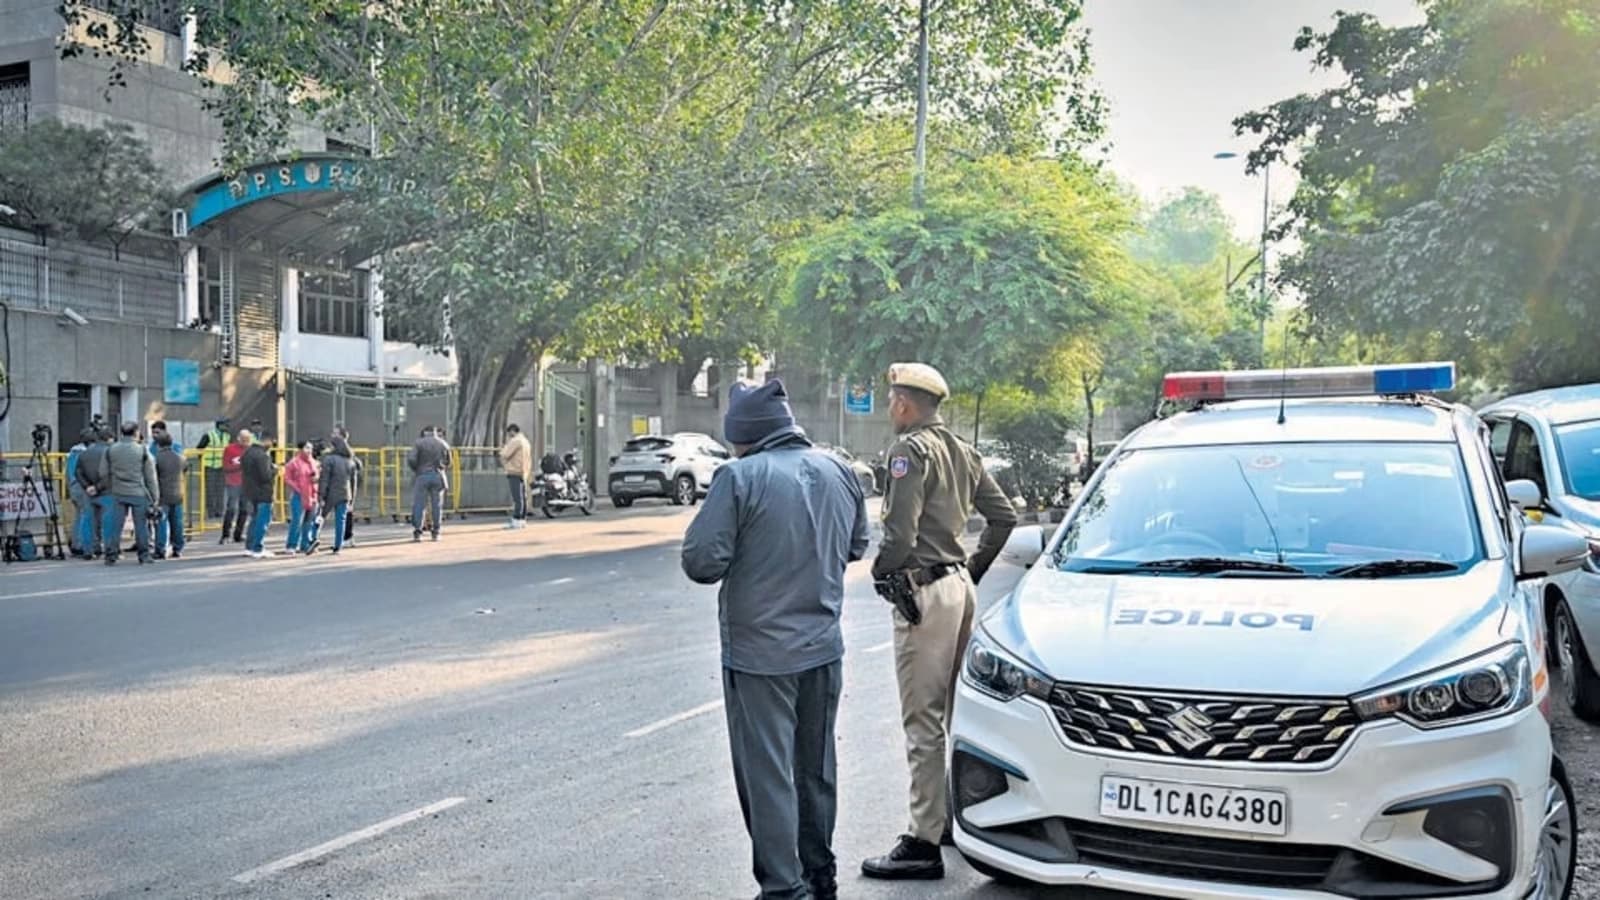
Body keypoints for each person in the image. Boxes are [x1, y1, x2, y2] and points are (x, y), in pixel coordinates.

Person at [682, 380, 870, 900]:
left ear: (742, 436)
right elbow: (856, 546)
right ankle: (820, 875)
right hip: (823, 649)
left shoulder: (738, 478)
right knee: (815, 769)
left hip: (761, 657)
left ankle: (784, 889)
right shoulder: (840, 470)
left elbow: (701, 562)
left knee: (768, 776)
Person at [861, 363, 1017, 882]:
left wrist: (883, 571)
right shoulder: (963, 451)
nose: (890, 410)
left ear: (904, 404)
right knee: (953, 713)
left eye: (891, 401)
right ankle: (948, 818)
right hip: (958, 588)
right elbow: (1004, 517)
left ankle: (923, 841)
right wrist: (969, 570)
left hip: (925, 592)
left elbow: (900, 536)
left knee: (921, 719)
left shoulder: (909, 451)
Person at [99, 420, 159, 566]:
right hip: (138, 492)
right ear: (136, 433)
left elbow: (103, 472)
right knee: (141, 526)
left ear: (121, 433)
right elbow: (150, 477)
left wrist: (109, 486)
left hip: (118, 492)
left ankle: (111, 555)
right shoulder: (142, 450)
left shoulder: (111, 449)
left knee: (116, 525)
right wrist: (154, 497)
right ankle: (144, 555)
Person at [73, 428, 113, 560]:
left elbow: (77, 472)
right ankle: (109, 549)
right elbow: (110, 474)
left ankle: (87, 550)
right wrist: (98, 487)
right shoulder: (110, 452)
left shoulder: (84, 453)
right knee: (107, 522)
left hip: (88, 492)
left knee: (87, 520)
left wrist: (88, 487)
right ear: (108, 439)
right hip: (106, 492)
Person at [407, 425, 451, 542]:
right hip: (438, 475)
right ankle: (436, 531)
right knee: (437, 505)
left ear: (425, 433)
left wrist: (417, 469)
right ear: (436, 432)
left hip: (422, 475)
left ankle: (418, 532)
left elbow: (411, 459)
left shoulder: (419, 443)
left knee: (419, 504)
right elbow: (448, 461)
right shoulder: (443, 444)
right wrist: (442, 468)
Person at [241, 430, 277, 558]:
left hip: (250, 491)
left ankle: (249, 547)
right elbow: (265, 476)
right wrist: (274, 470)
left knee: (254, 520)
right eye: (272, 442)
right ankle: (258, 548)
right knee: (262, 521)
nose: (272, 445)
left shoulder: (247, 453)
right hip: (264, 492)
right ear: (267, 440)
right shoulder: (263, 456)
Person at [318, 435, 357, 555]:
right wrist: (352, 500)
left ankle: (312, 539)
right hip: (346, 494)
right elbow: (353, 482)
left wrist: (321, 494)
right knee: (341, 520)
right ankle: (338, 546)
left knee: (320, 516)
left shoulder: (329, 459)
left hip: (331, 493)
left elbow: (324, 479)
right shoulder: (350, 461)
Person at [153, 431, 188, 559]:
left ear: (158, 445)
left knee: (161, 522)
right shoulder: (181, 458)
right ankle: (178, 548)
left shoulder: (156, 459)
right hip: (178, 494)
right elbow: (185, 470)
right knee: (177, 523)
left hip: (162, 495)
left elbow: (154, 477)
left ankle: (160, 549)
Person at [284, 440, 321, 554]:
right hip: (298, 495)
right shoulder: (293, 463)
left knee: (309, 522)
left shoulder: (315, 463)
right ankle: (291, 545)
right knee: (297, 521)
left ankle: (305, 545)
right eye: (307, 448)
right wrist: (297, 488)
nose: (309, 451)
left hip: (312, 495)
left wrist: (316, 479)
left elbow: (318, 476)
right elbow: (287, 478)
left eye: (311, 448)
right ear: (300, 449)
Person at [65, 428, 94, 558]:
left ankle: (75, 543)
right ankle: (82, 544)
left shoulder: (72, 452)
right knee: (85, 515)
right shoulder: (85, 453)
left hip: (72, 485)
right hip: (82, 486)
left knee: (78, 515)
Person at [499, 423, 533, 528]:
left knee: (517, 497)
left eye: (509, 433)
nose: (509, 436)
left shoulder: (516, 441)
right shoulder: (526, 441)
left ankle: (516, 519)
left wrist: (504, 447)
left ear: (513, 431)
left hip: (514, 470)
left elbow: (505, 453)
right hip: (524, 471)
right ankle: (522, 519)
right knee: (522, 496)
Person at [195, 417, 230, 517]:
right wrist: (203, 461)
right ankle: (211, 512)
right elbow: (199, 449)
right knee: (210, 491)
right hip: (210, 466)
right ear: (219, 425)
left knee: (220, 490)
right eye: (225, 425)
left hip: (222, 467)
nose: (228, 427)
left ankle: (219, 511)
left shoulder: (227, 436)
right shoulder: (208, 435)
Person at [220, 429, 248, 544]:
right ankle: (225, 535)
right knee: (231, 509)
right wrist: (241, 466)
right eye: (244, 439)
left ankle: (238, 534)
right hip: (233, 483)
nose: (246, 442)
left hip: (246, 484)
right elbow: (226, 467)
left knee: (244, 509)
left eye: (247, 440)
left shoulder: (249, 450)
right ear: (238, 438)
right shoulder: (230, 449)